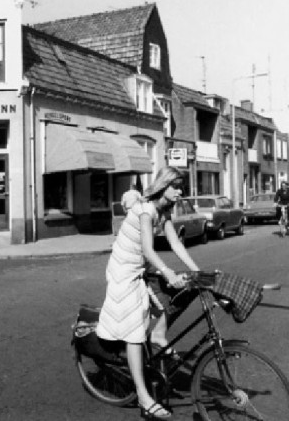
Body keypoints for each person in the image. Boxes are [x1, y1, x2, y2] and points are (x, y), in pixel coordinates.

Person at [95, 167, 200, 420]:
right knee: (133, 332)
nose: (180, 192)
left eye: (181, 187)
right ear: (164, 187)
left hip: (141, 265)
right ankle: (144, 397)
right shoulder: (146, 210)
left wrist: (198, 271)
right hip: (123, 269)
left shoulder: (164, 212)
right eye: (176, 187)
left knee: (168, 301)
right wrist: (168, 273)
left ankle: (158, 335)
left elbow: (175, 243)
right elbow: (148, 249)